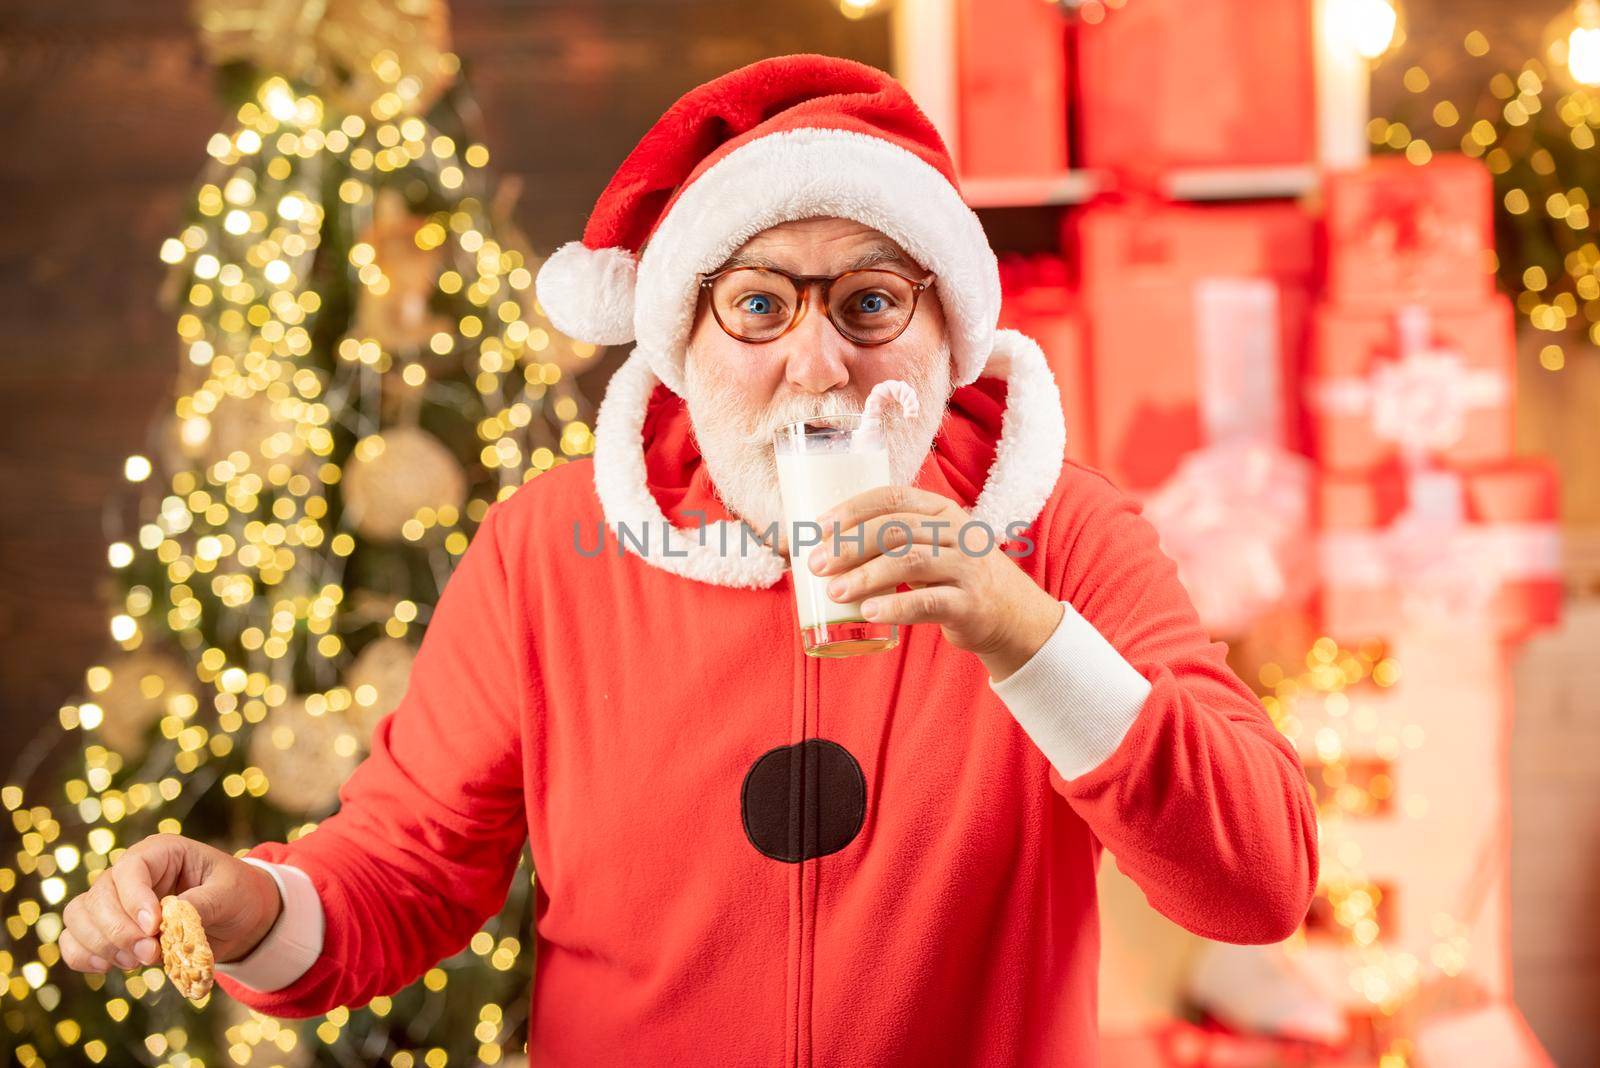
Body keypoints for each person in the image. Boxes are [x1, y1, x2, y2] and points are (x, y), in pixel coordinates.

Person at [61, 53, 1318, 1066]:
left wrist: (1023, 633)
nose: (819, 366)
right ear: (682, 339)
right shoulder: (546, 552)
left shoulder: (1059, 535)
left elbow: (1258, 884)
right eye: (760, 306)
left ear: (947, 325)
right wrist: (251, 908)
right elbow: (405, 871)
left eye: (871, 304)